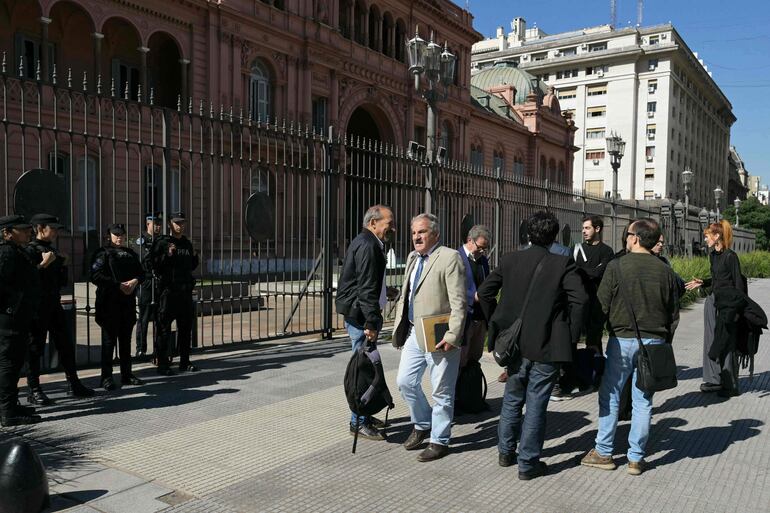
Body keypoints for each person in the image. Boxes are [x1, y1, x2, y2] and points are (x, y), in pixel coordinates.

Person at [478, 211, 586, 480]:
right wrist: (570, 334)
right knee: (536, 403)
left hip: (514, 344)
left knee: (512, 399)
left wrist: (496, 321)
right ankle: (527, 463)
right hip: (547, 345)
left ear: (528, 233)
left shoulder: (509, 260)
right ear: (553, 237)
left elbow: (484, 293)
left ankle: (505, 452)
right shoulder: (563, 264)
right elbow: (581, 300)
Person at [580, 219, 680, 476]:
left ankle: (604, 452)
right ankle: (636, 458)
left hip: (621, 340)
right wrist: (664, 341)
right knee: (643, 399)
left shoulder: (616, 266)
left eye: (628, 234)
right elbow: (673, 312)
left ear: (635, 238)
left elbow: (600, 306)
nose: (625, 237)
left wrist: (593, 340)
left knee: (611, 395)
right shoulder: (665, 270)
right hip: (654, 342)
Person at [392, 213, 467, 462]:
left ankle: (440, 440)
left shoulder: (449, 257)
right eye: (414, 233)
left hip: (440, 334)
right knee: (405, 381)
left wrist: (453, 335)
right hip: (415, 331)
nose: (416, 237)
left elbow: (459, 302)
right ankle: (423, 423)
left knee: (441, 391)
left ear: (435, 233)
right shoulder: (413, 257)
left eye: (422, 232)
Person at [335, 204, 395, 441]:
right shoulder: (368, 245)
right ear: (373, 223)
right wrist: (371, 321)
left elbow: (367, 282)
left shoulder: (368, 242)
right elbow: (365, 288)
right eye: (389, 223)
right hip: (361, 316)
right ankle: (358, 421)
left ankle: (364, 415)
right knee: (362, 370)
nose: (393, 227)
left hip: (361, 313)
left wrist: (385, 291)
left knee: (367, 367)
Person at [25, 214, 94, 405]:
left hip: (53, 303)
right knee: (35, 348)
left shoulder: (52, 250)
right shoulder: (29, 251)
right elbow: (27, 281)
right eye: (52, 228)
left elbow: (61, 282)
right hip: (37, 306)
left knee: (65, 344)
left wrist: (62, 265)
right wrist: (43, 264)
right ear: (40, 228)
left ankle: (74, 384)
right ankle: (34, 389)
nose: (55, 232)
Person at [685, 220, 746, 397]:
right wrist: (703, 282)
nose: (705, 240)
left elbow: (738, 285)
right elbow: (718, 279)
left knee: (727, 341)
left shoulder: (730, 256)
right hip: (713, 302)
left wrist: (737, 311)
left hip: (728, 305)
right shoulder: (713, 255)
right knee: (711, 340)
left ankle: (730, 383)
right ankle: (713, 379)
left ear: (717, 236)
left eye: (707, 236)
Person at [90, 224, 145, 390]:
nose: (119, 237)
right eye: (115, 235)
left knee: (125, 342)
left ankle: (126, 375)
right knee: (108, 342)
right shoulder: (102, 253)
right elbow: (95, 276)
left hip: (126, 303)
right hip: (109, 303)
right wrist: (117, 285)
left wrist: (135, 281)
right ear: (109, 236)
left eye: (121, 234)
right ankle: (106, 378)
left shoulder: (130, 254)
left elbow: (142, 273)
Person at [0, 215, 42, 426]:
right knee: (8, 363)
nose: (28, 232)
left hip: (17, 317)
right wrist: (13, 305)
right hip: (9, 320)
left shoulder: (17, 251)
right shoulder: (6, 252)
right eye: (22, 229)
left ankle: (11, 405)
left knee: (14, 363)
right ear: (7, 233)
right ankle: (8, 413)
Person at [570, 215, 615, 392]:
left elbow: (599, 273)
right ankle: (575, 374)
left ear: (597, 229)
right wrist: (587, 272)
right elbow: (572, 273)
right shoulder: (576, 249)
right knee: (573, 338)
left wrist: (582, 271)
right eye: (583, 228)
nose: (583, 231)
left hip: (597, 302)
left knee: (594, 339)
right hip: (578, 301)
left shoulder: (607, 251)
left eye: (587, 228)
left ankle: (596, 375)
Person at [152, 212, 199, 375]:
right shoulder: (162, 242)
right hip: (168, 292)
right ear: (170, 225)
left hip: (184, 292)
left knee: (185, 329)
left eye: (182, 223)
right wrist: (168, 254)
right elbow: (154, 265)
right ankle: (163, 364)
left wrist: (196, 257)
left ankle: (184, 362)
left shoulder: (187, 243)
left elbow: (191, 266)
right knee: (164, 328)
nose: (180, 226)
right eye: (176, 223)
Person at [458, 225, 490, 369]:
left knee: (474, 359)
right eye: (481, 247)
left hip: (480, 318)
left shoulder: (483, 260)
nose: (483, 251)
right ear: (470, 240)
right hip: (465, 317)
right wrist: (473, 297)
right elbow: (452, 288)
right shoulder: (456, 257)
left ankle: (470, 389)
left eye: (485, 248)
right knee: (460, 361)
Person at [135, 213, 162, 358]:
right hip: (145, 282)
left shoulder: (162, 240)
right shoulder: (141, 240)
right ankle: (141, 348)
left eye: (159, 224)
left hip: (158, 281)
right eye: (155, 223)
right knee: (144, 317)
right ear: (148, 224)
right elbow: (142, 259)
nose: (158, 226)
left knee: (160, 316)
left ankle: (159, 348)